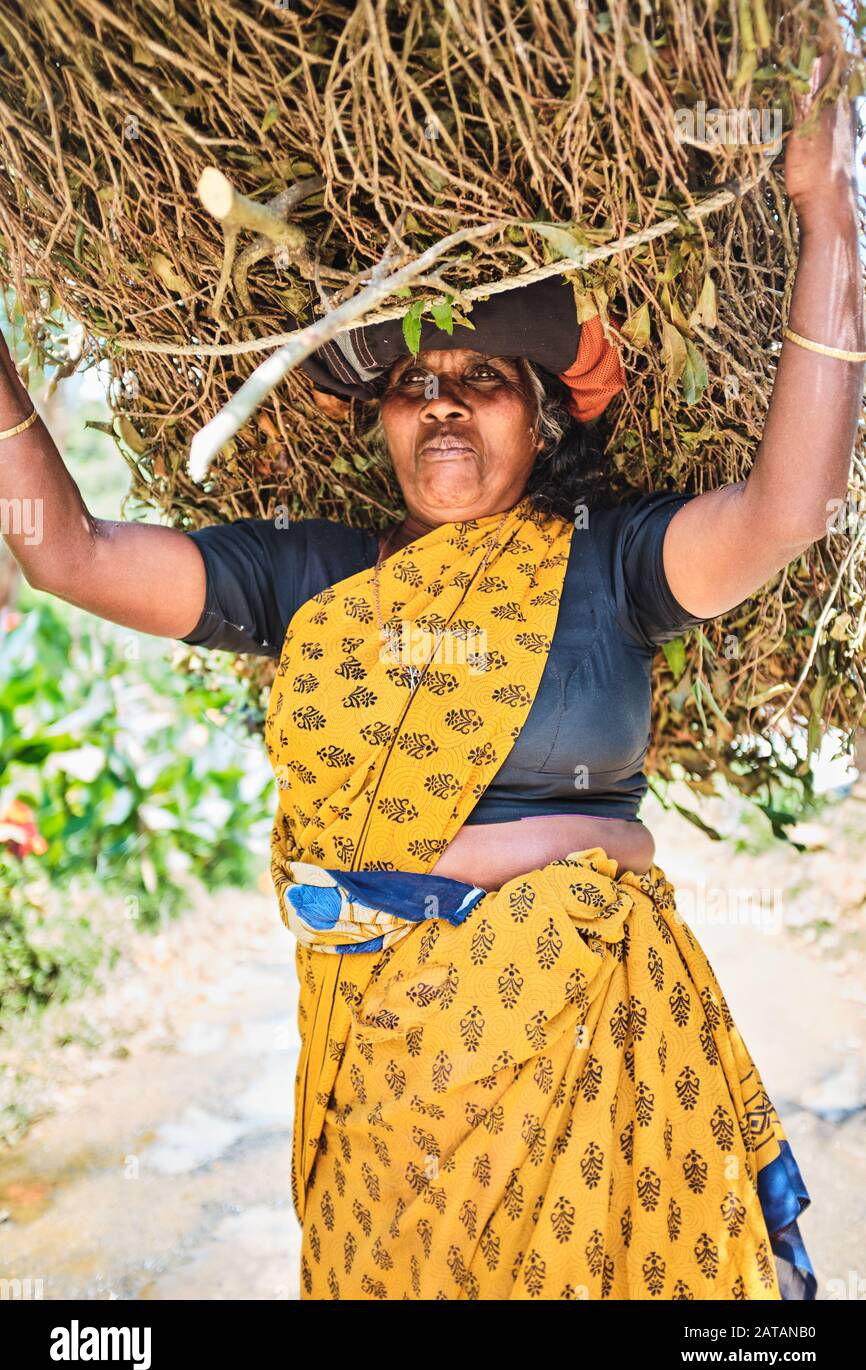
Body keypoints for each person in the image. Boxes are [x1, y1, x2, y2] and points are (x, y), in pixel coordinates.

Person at [1, 55, 862, 1301]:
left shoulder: (612, 567)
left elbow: (790, 508)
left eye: (482, 382)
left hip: (592, 1075)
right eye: (414, 384)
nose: (444, 407)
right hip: (384, 1112)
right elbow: (68, 555)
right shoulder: (311, 580)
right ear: (381, 419)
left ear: (541, 416)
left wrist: (826, 214)